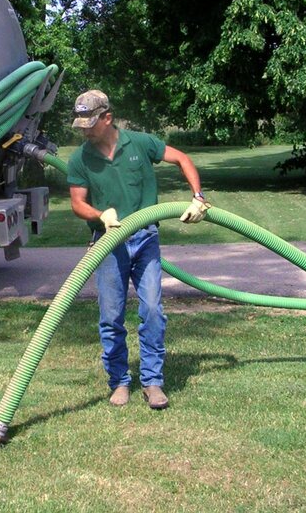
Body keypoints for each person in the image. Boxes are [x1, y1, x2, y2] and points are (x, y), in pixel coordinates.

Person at [66, 90, 210, 410]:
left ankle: (152, 381)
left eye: (90, 123)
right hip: (107, 242)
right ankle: (118, 381)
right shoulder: (80, 159)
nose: (85, 130)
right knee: (111, 317)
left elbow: (182, 159)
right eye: (81, 124)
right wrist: (100, 215)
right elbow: (77, 203)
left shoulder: (141, 143)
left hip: (145, 238)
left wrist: (198, 196)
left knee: (153, 311)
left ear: (107, 117)